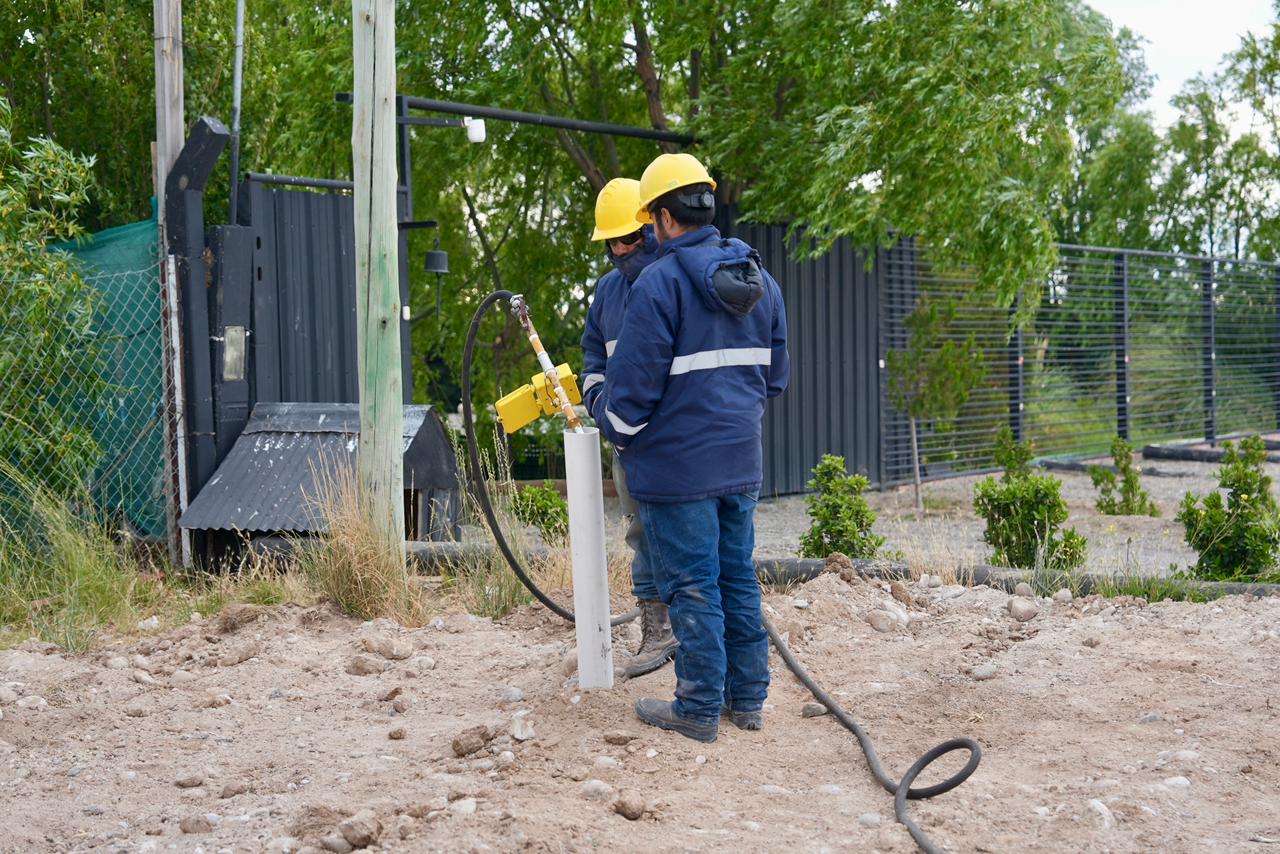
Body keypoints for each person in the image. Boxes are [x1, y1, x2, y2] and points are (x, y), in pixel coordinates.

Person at [589, 153, 790, 743]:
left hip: (677, 474)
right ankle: (747, 700)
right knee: (737, 580)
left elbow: (627, 405)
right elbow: (774, 379)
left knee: (693, 587)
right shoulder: (760, 279)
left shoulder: (660, 284)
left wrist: (602, 412)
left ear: (661, 217)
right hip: (741, 463)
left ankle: (698, 708)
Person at [579, 177, 675, 678]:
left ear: (652, 227)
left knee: (693, 533)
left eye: (629, 239)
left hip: (677, 438)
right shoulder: (608, 293)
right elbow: (593, 357)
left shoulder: (676, 279)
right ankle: (659, 628)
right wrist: (598, 401)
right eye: (611, 242)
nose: (619, 251)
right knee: (641, 532)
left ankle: (702, 627)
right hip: (629, 440)